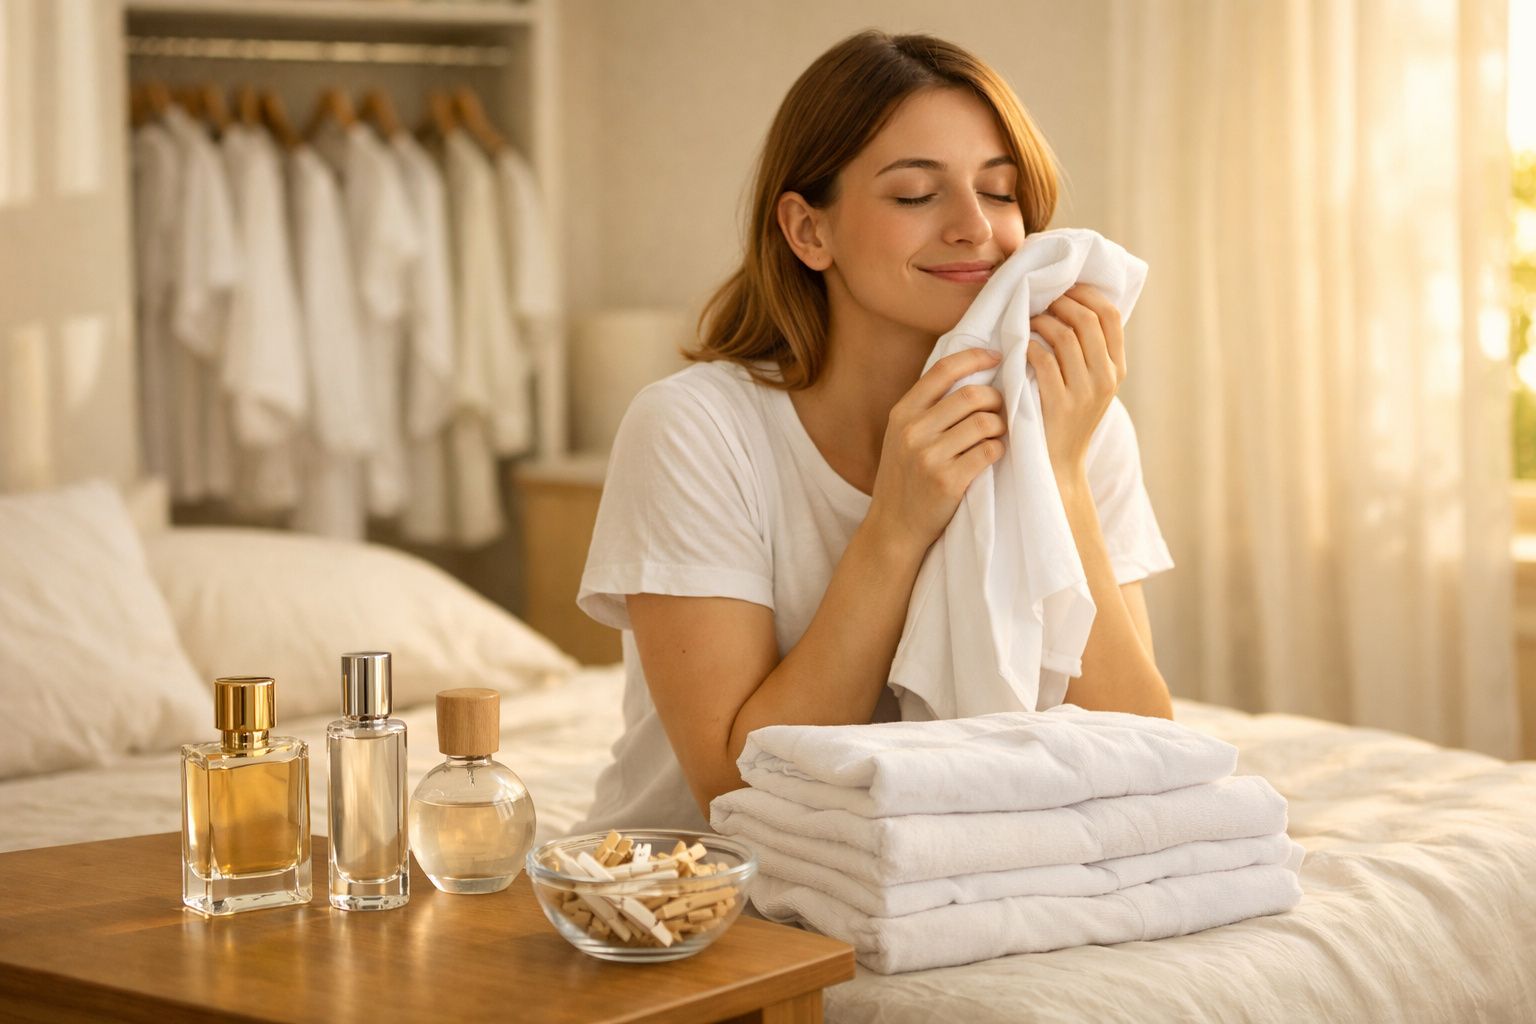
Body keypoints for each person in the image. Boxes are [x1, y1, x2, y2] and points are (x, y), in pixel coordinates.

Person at [572, 30, 1176, 835]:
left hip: (957, 869)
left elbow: (1147, 756)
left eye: (999, 192)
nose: (974, 226)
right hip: (702, 884)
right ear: (807, 231)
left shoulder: (1074, 419)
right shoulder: (694, 431)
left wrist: (1059, 477)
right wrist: (896, 525)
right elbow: (733, 787)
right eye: (916, 195)